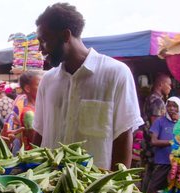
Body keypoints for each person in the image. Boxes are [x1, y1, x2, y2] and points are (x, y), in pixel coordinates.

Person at [32, 3, 144, 170]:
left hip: (93, 188)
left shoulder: (116, 73)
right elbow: (39, 133)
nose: (40, 49)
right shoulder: (48, 80)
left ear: (65, 35)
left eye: (44, 40)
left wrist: (117, 186)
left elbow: (123, 135)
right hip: (48, 185)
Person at [141, 73, 172, 192]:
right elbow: (157, 127)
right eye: (168, 84)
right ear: (161, 84)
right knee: (152, 177)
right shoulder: (157, 102)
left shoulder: (150, 98)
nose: (170, 87)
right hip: (153, 147)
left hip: (148, 145)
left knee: (148, 174)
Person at [146, 96, 180, 193]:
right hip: (163, 162)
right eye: (169, 106)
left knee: (176, 191)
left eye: (175, 106)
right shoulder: (160, 122)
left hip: (178, 163)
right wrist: (172, 142)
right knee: (153, 189)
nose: (171, 108)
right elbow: (154, 141)